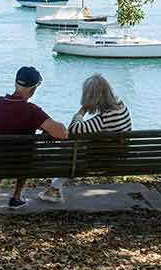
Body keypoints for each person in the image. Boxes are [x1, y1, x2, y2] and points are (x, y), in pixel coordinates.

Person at [0, 66, 69, 211]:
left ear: (15, 83)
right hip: (22, 163)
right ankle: (16, 197)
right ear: (33, 90)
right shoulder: (32, 111)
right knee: (26, 152)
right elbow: (62, 133)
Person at [39, 74, 132, 203]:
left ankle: (54, 188)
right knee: (76, 147)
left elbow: (74, 129)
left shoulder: (103, 119)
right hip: (120, 155)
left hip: (104, 162)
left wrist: (83, 110)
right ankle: (54, 187)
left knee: (71, 148)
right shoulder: (121, 105)